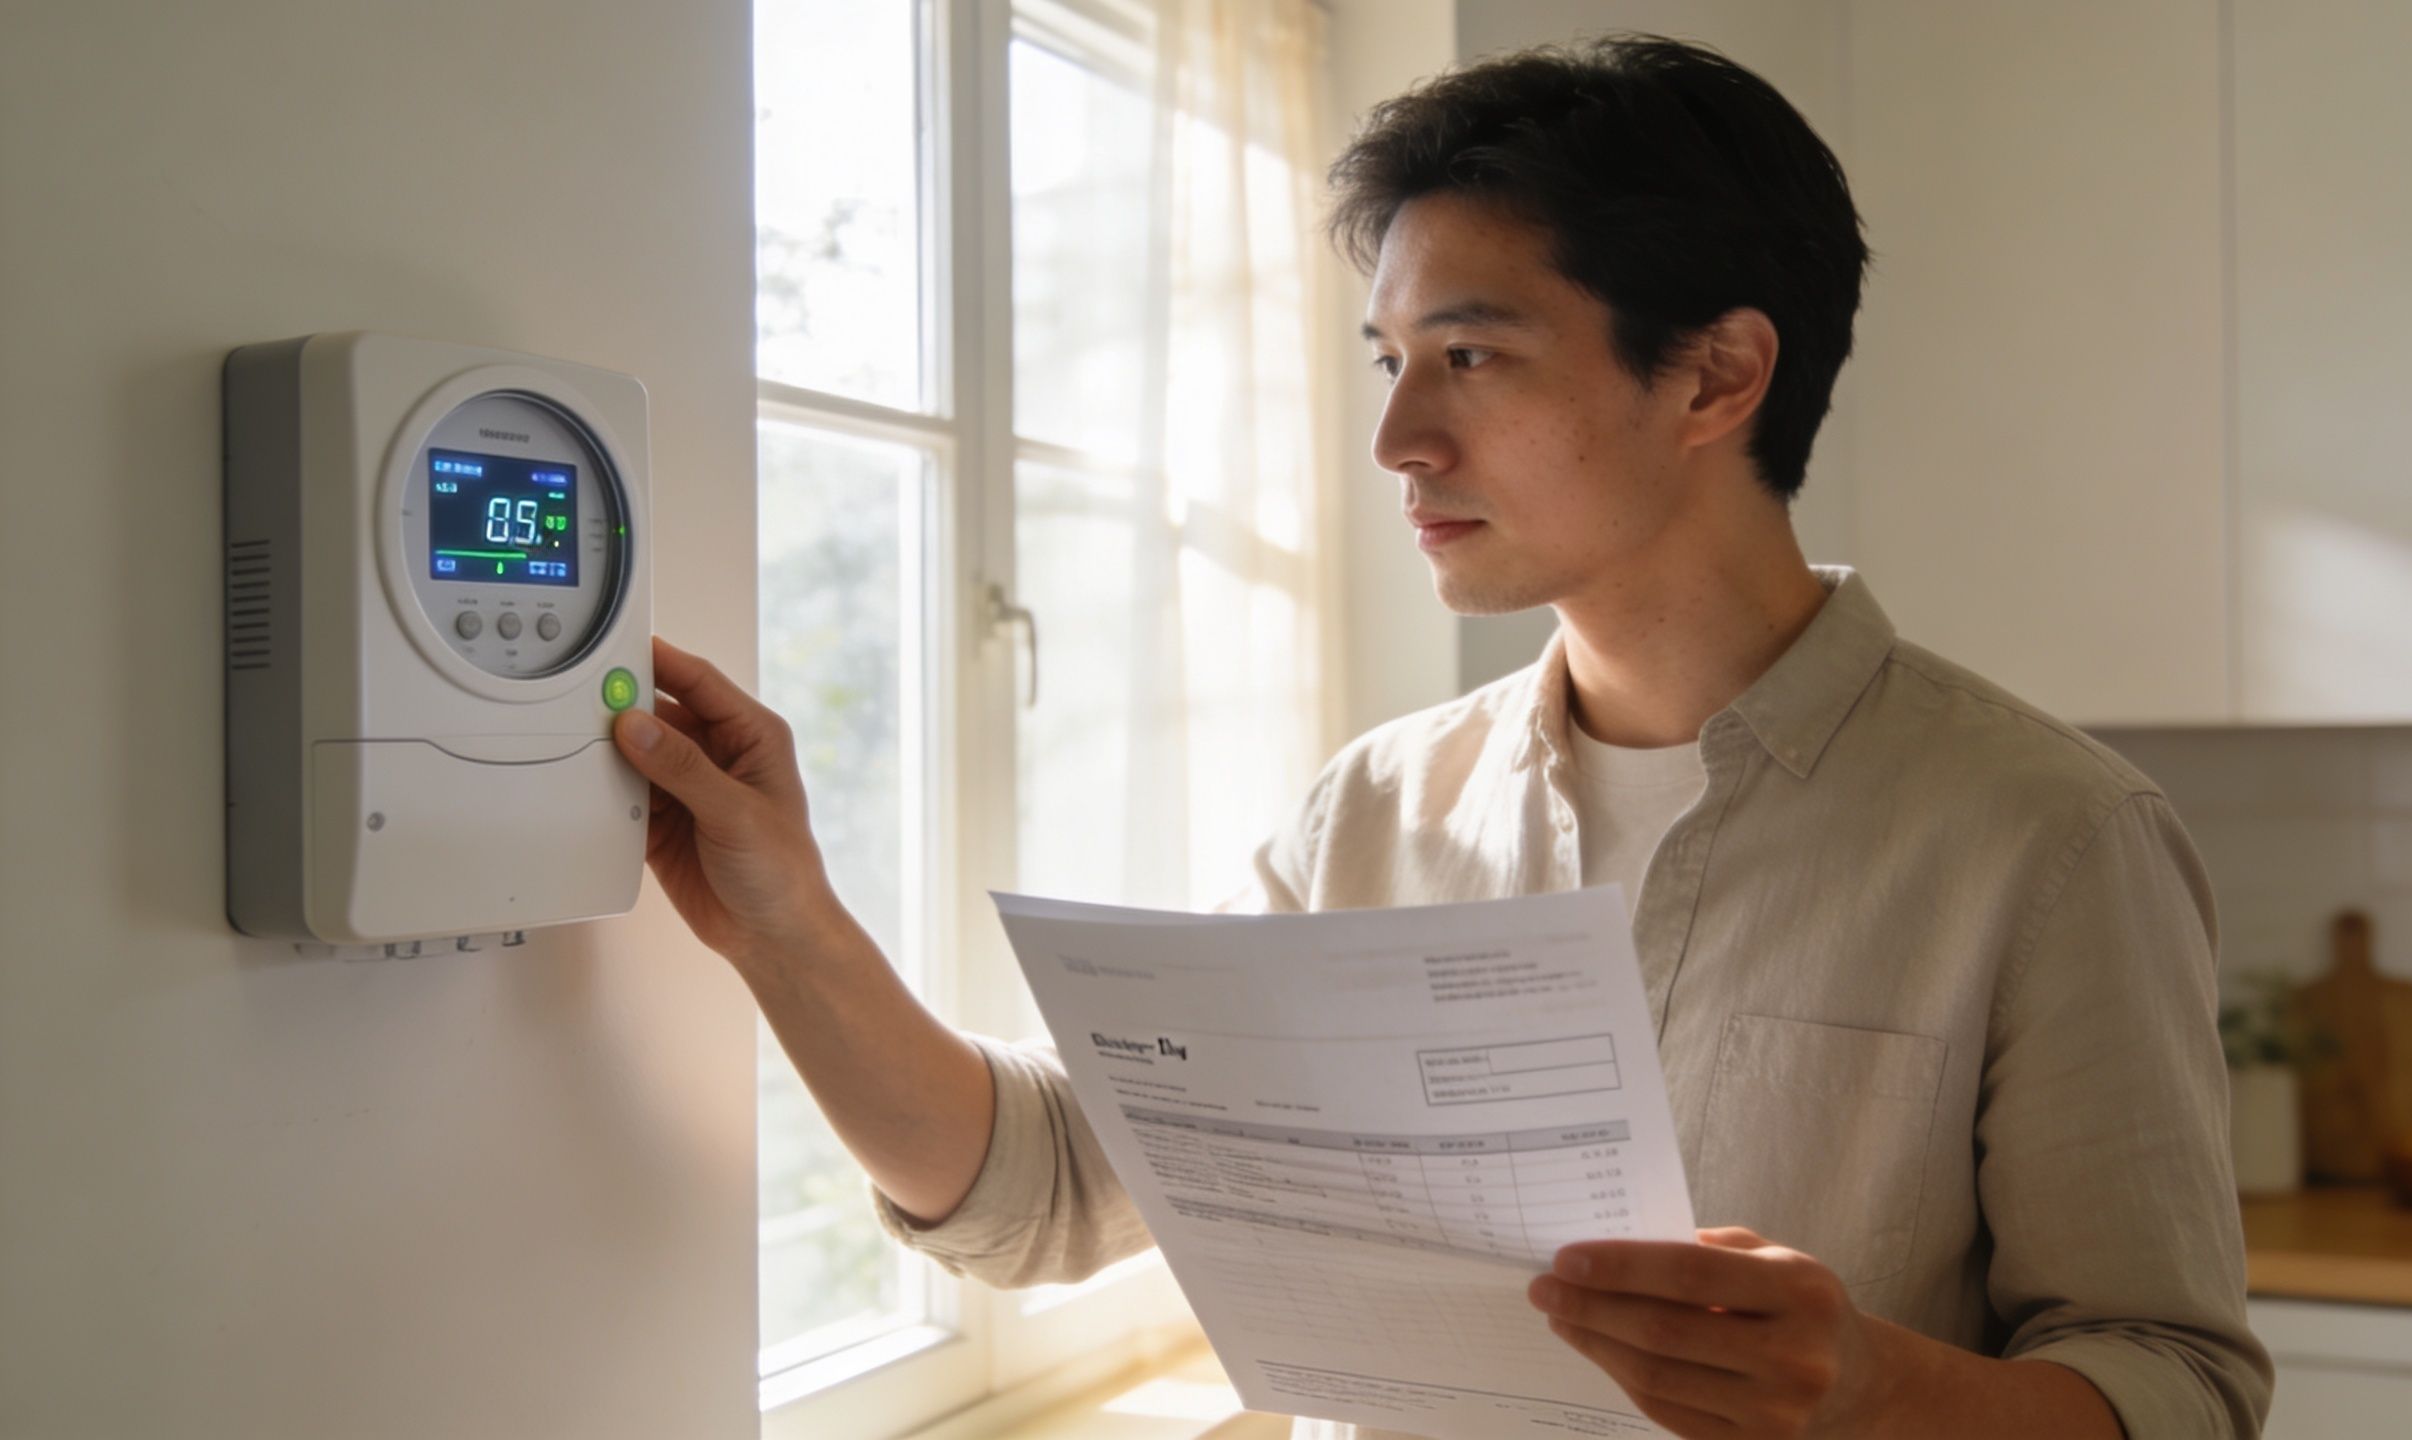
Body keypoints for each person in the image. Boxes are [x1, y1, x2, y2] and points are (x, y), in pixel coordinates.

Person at [611, 34, 2271, 1440]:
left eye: (1470, 355)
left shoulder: (2050, 839)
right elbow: (1047, 1191)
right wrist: (783, 920)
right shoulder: (1374, 812)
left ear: (1715, 379)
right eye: (1393, 359)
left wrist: (1876, 1388)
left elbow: (2176, 1382)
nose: (1401, 436)